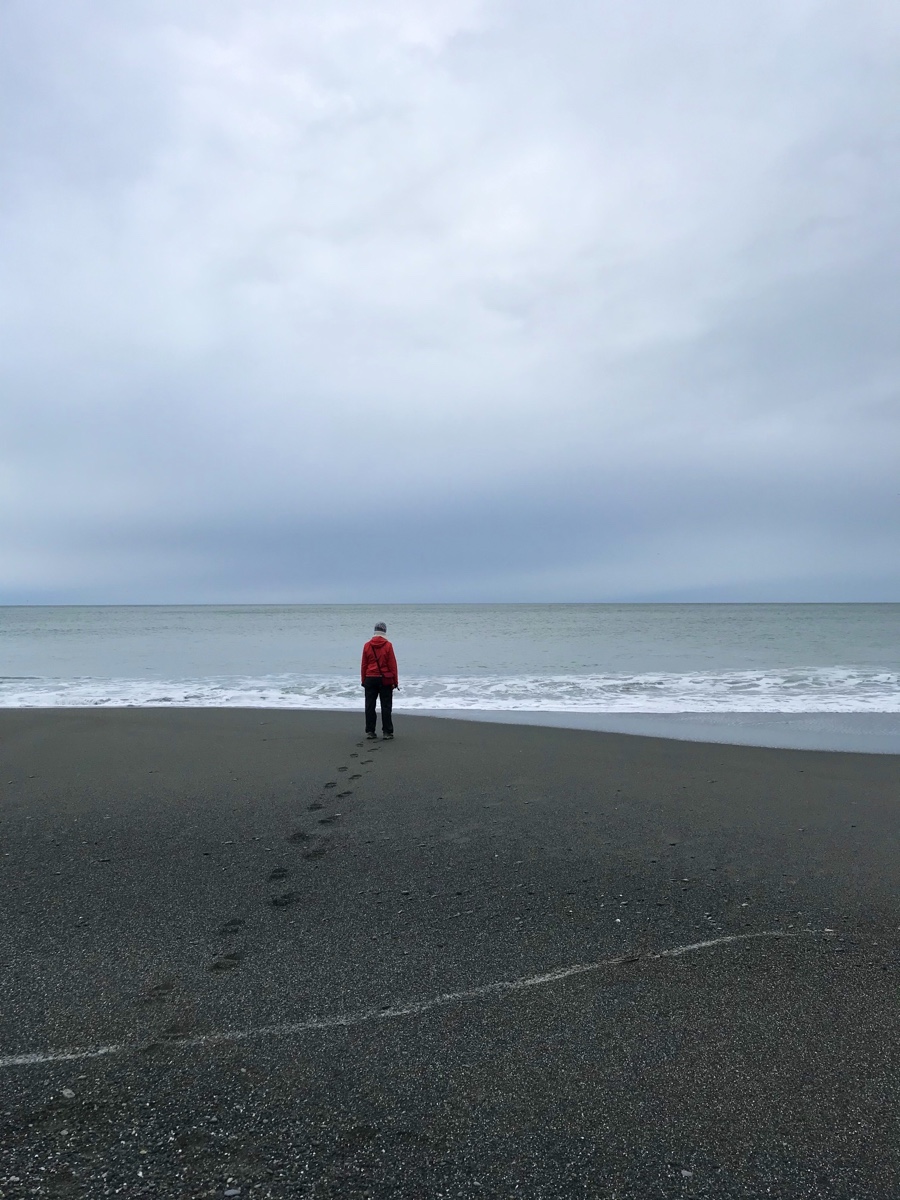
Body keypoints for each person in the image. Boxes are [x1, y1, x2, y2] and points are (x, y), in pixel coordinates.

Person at [361, 621, 399, 740]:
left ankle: (370, 731)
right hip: (385, 680)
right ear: (384, 632)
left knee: (370, 706)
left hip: (370, 678)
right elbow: (392, 665)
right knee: (386, 706)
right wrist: (395, 681)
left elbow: (364, 665)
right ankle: (387, 732)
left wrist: (363, 680)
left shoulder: (367, 645)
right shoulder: (388, 645)